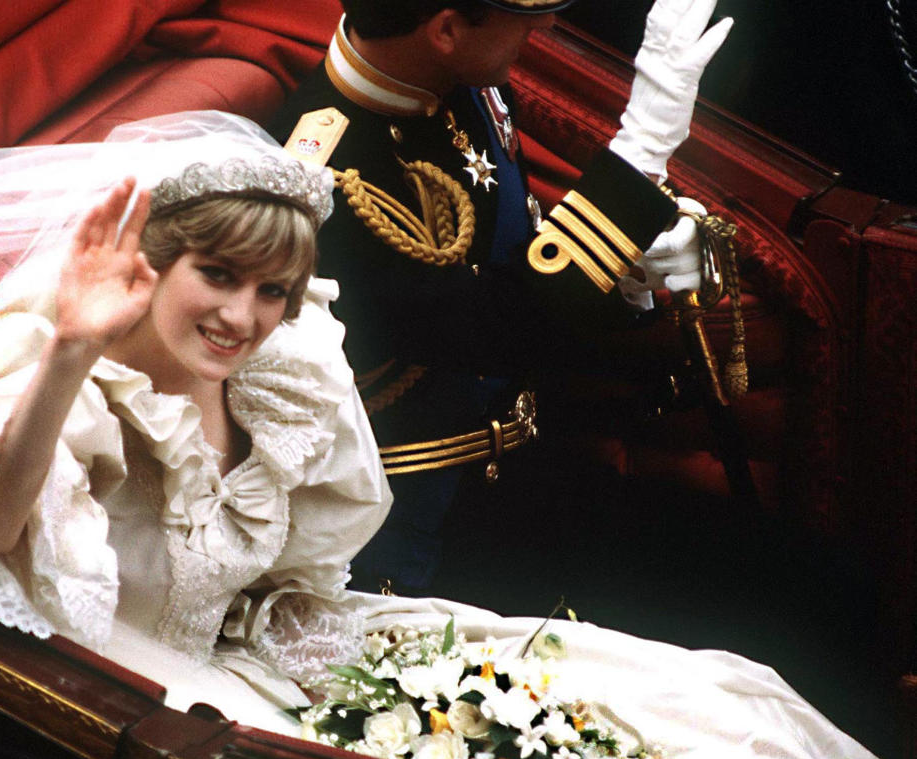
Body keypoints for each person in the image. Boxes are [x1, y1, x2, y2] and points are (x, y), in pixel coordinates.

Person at [0, 112, 907, 759]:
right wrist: (73, 354)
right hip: (155, 710)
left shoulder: (276, 365)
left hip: (282, 643)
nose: (243, 317)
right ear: (149, 262)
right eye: (216, 277)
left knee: (684, 722)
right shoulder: (32, 376)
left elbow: (296, 555)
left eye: (272, 289)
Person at [267, 0, 731, 592]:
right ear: (446, 29)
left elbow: (509, 259)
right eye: (524, 14)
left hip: (530, 472)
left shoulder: (458, 83)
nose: (546, 25)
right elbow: (494, 328)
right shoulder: (321, 184)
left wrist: (628, 268)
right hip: (414, 539)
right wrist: (640, 153)